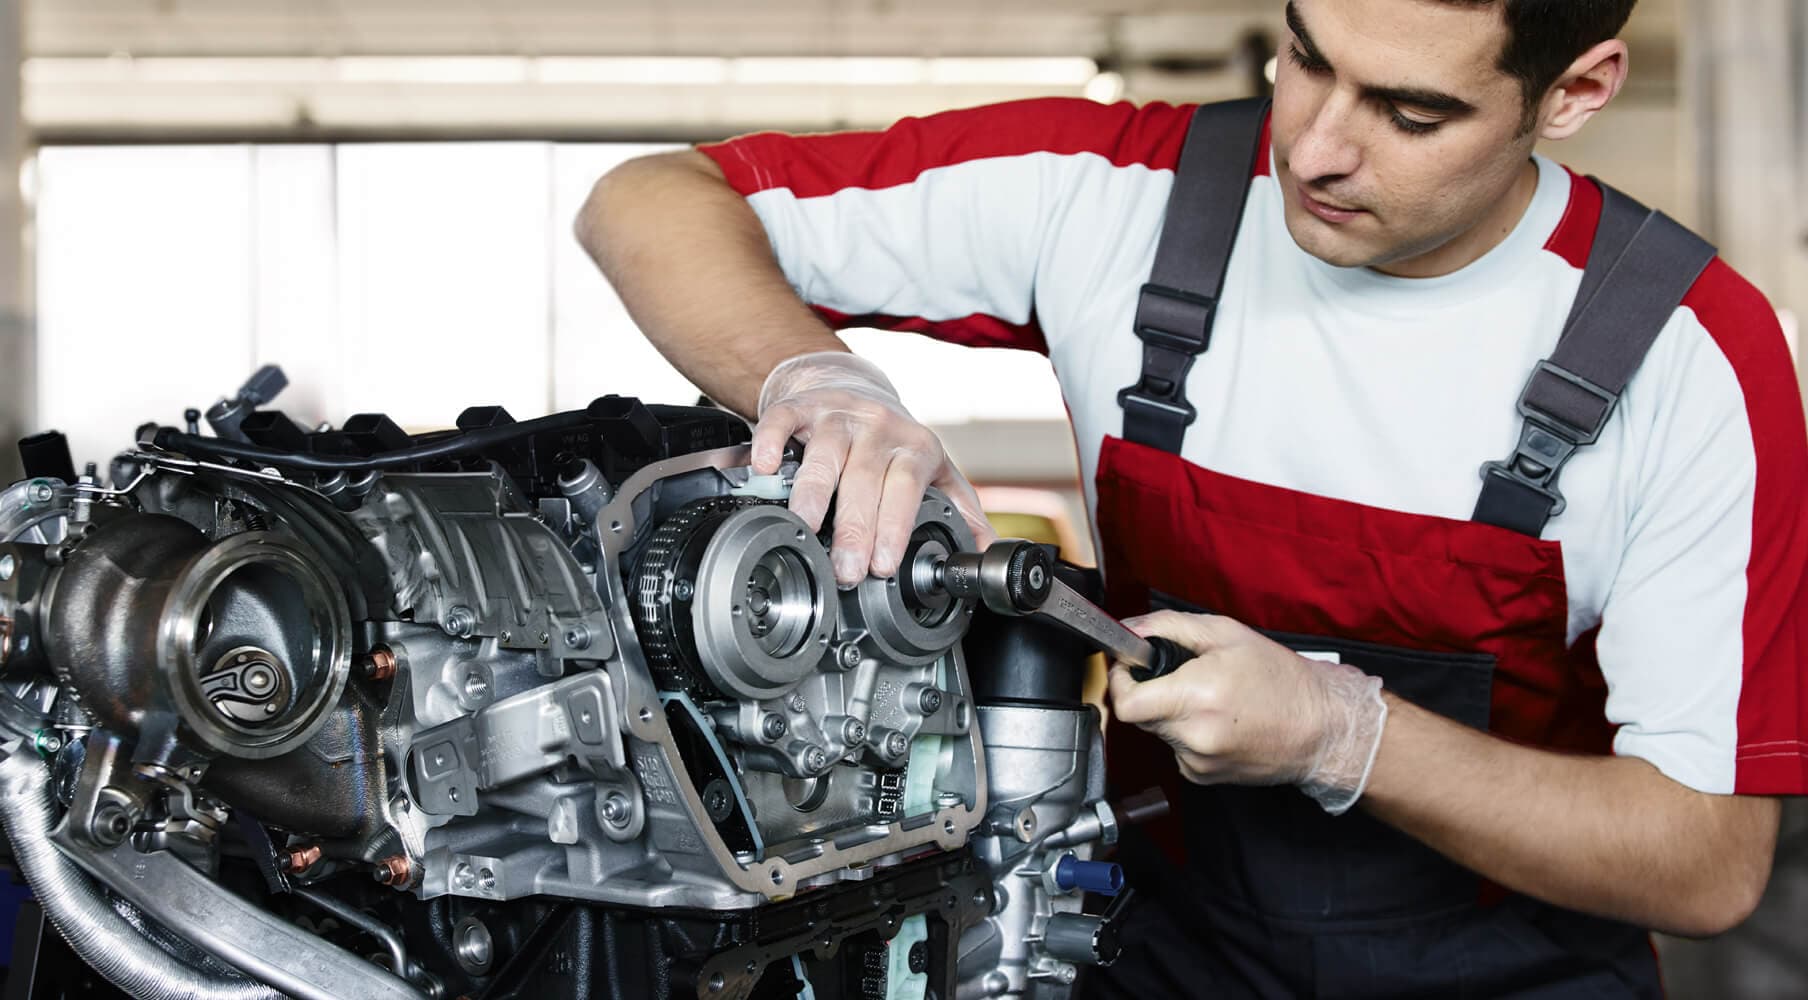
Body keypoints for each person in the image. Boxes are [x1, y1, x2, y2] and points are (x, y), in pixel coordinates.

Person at [576, 0, 1808, 994]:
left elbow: (1703, 863)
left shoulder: (1685, 354)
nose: (1315, 149)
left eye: (1411, 110)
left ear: (1575, 91)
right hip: (1153, 945)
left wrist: (1345, 735)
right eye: (1305, 56)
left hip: (1513, 974)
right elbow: (648, 198)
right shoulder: (1115, 190)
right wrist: (822, 379)